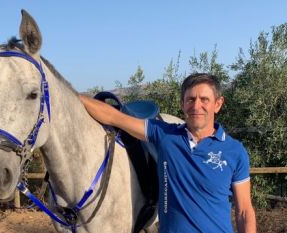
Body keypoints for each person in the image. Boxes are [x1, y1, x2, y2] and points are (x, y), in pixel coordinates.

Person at [79, 73, 256, 233]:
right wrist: (70, 95)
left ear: (218, 104)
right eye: (190, 99)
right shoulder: (165, 135)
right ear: (182, 104)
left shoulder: (235, 151)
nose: (197, 106)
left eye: (204, 99)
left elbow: (244, 211)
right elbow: (114, 117)